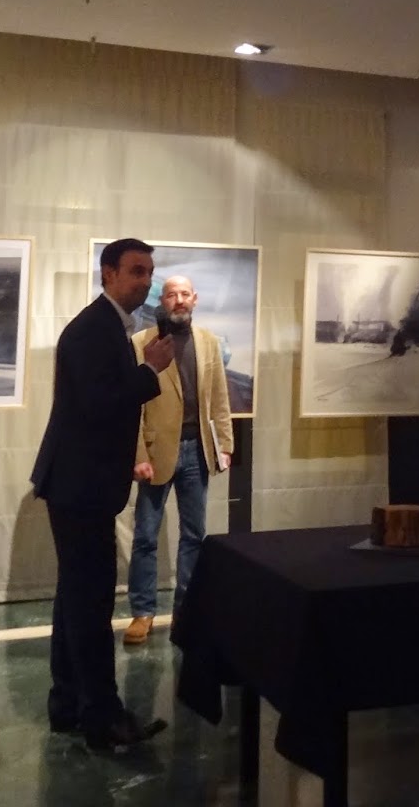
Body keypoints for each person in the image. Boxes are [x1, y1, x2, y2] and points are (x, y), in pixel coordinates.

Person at [30, 238, 173, 750]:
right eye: (136, 271)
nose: (145, 281)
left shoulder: (107, 326)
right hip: (80, 485)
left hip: (79, 482)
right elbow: (99, 404)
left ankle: (68, 705)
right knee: (90, 605)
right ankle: (103, 719)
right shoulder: (94, 328)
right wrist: (149, 370)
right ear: (108, 273)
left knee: (75, 600)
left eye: (149, 272)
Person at [124, 274, 235, 644]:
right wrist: (138, 454)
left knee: (194, 536)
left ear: (195, 299)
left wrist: (224, 443)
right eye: (172, 294)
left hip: (197, 450)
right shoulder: (142, 342)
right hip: (156, 454)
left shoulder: (209, 342)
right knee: (145, 536)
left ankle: (186, 611)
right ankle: (142, 613)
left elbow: (219, 397)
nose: (179, 300)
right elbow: (133, 405)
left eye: (185, 294)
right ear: (163, 301)